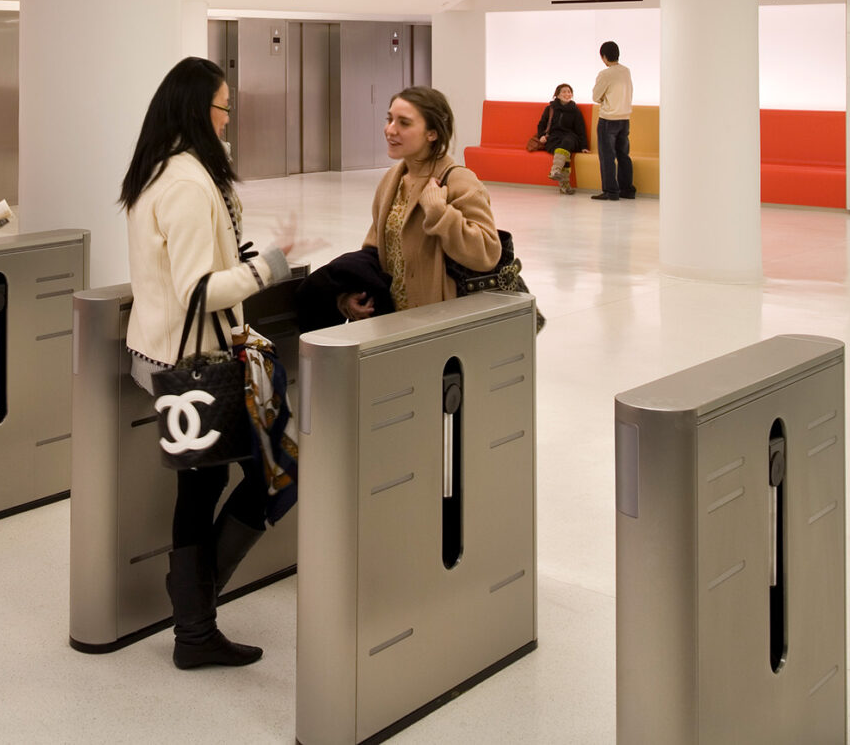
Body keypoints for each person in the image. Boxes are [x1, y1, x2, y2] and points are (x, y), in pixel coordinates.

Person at [120, 56, 300, 670]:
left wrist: (245, 251)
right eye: (225, 107)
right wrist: (269, 268)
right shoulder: (189, 183)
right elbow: (200, 288)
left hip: (166, 354)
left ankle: (193, 611)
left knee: (208, 486)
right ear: (202, 109)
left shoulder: (163, 170)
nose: (229, 119)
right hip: (193, 363)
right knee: (259, 478)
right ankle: (194, 620)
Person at [337, 86, 499, 322]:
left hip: (438, 322)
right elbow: (376, 248)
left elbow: (486, 253)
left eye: (404, 123)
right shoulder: (392, 180)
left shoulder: (459, 181)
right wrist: (355, 292)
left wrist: (440, 213)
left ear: (432, 133)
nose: (390, 130)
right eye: (389, 119)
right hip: (392, 319)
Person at [589, 41, 636, 202]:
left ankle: (611, 191)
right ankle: (627, 189)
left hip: (608, 119)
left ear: (603, 57)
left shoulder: (605, 74)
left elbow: (596, 97)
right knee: (624, 155)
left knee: (607, 156)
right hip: (625, 118)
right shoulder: (626, 71)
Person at [534, 83, 587, 194]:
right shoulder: (550, 109)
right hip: (553, 138)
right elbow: (541, 124)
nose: (567, 94)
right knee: (563, 152)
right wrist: (541, 136)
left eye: (569, 92)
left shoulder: (575, 110)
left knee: (566, 143)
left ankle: (555, 170)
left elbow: (581, 129)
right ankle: (565, 186)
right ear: (557, 95)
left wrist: (584, 146)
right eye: (564, 91)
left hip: (571, 137)